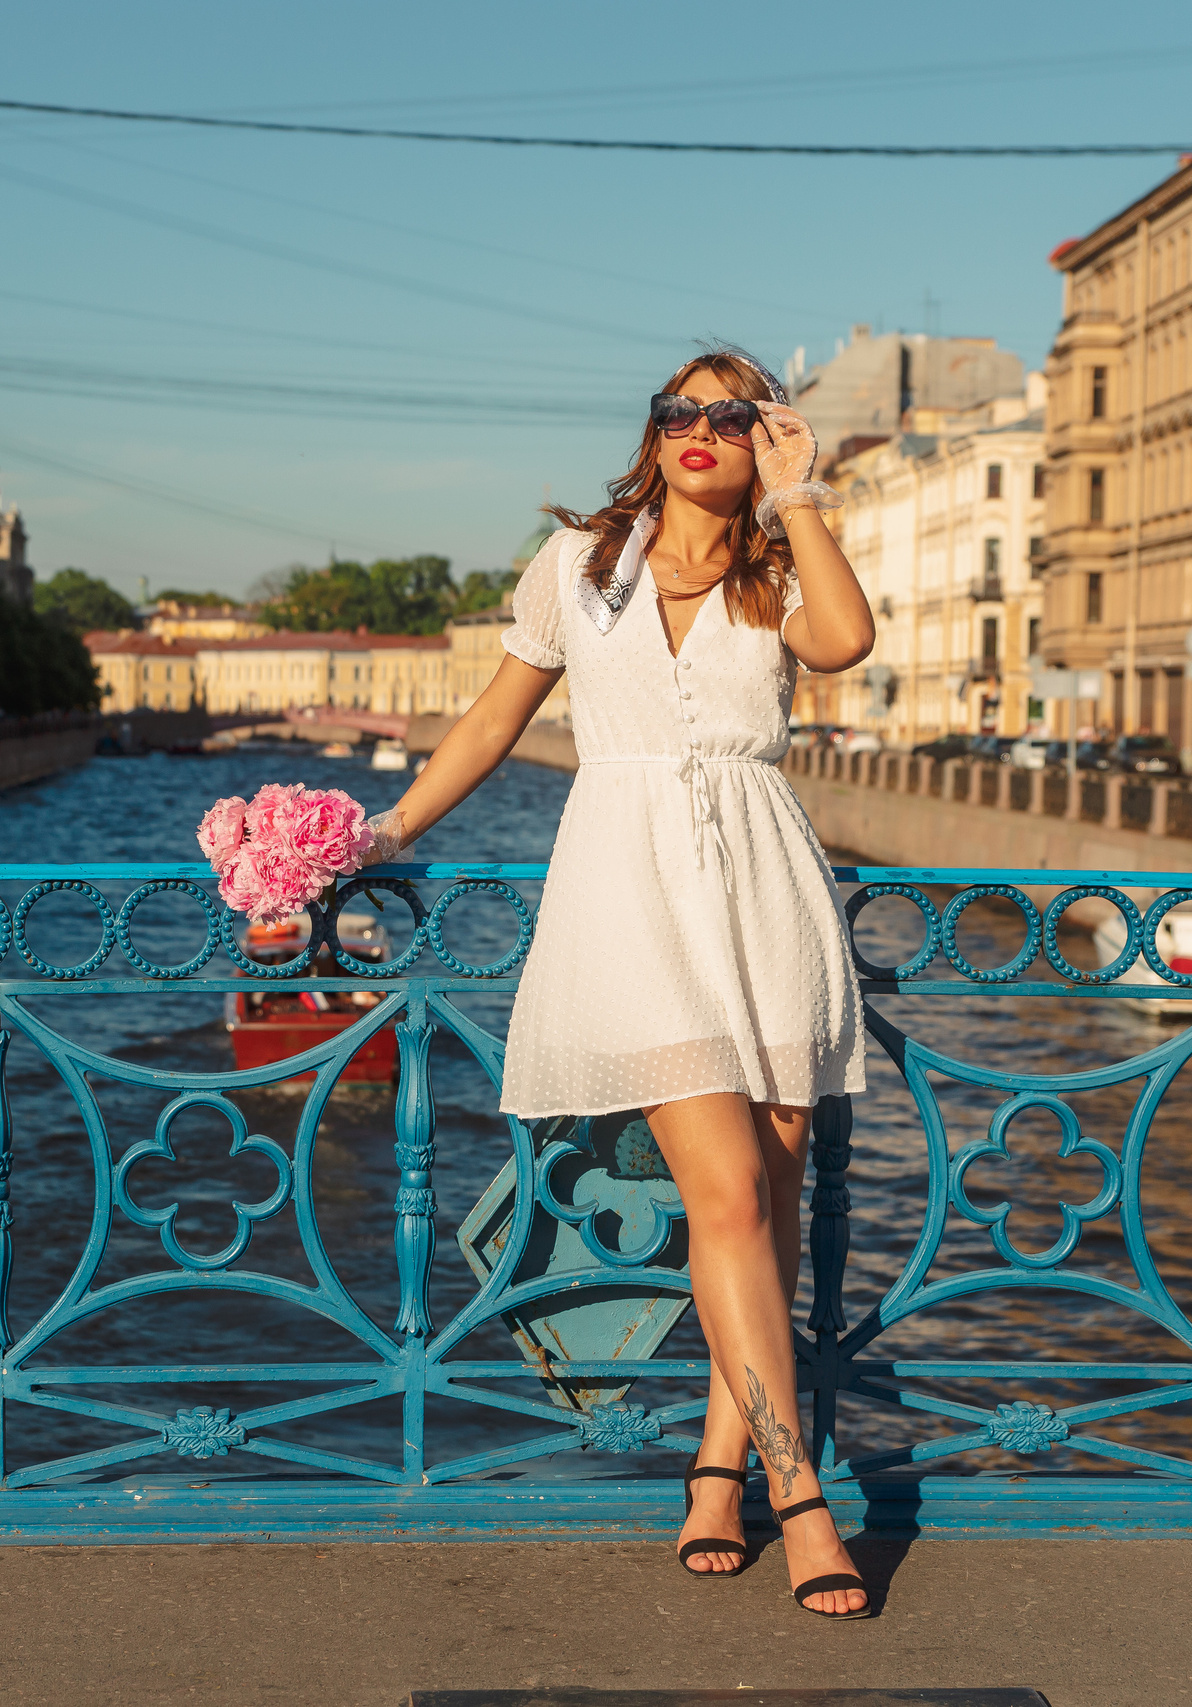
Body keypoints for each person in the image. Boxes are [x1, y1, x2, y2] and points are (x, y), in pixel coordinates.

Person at [363, 345, 877, 1616]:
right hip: (630, 894)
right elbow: (493, 722)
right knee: (724, 1192)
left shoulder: (773, 567)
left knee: (760, 1191)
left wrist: (800, 498)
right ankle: (798, 1490)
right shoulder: (577, 569)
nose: (701, 429)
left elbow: (849, 642)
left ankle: (714, 1472)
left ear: (764, 439)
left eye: (731, 416)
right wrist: (377, 839)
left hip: (764, 891)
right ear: (650, 434)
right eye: (678, 411)